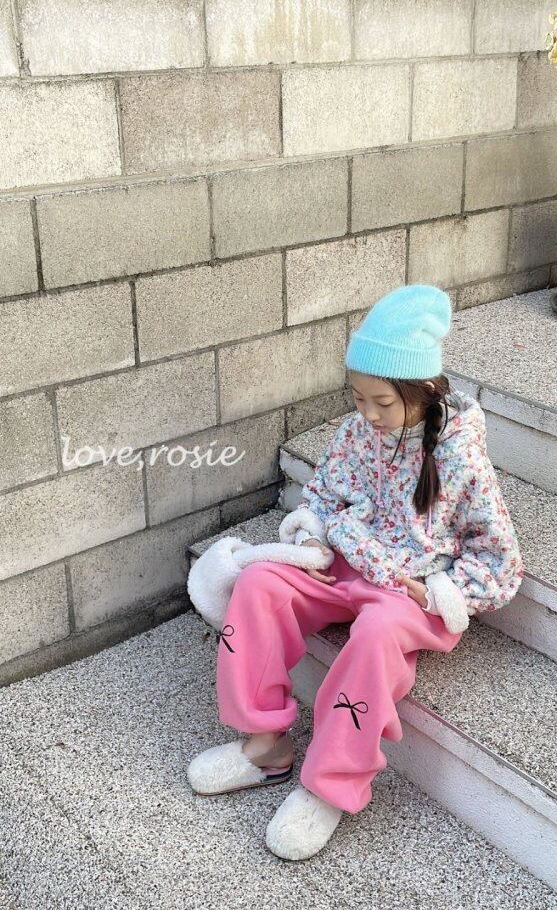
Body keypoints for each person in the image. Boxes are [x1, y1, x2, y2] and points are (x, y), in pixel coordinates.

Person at [187, 283, 525, 860]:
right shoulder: (357, 432)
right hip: (345, 561)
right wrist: (311, 536)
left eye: (381, 402)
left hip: (407, 591)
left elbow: (501, 560)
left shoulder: (461, 458)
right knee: (261, 582)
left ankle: (329, 786)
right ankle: (265, 746)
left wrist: (440, 590)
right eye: (358, 396)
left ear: (423, 390)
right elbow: (323, 493)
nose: (367, 413)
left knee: (376, 635)